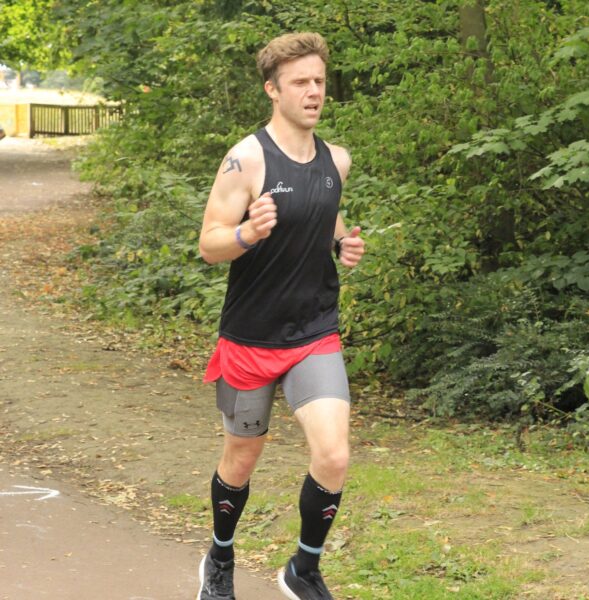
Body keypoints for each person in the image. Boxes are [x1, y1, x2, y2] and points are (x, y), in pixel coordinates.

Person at [197, 31, 365, 600]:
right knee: (242, 459)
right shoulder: (246, 159)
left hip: (314, 333)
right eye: (300, 83)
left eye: (319, 81)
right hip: (251, 338)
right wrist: (247, 232)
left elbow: (324, 216)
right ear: (273, 90)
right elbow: (210, 243)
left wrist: (341, 243)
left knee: (334, 454)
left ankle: (303, 569)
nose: (314, 92)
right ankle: (220, 558)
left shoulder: (336, 161)